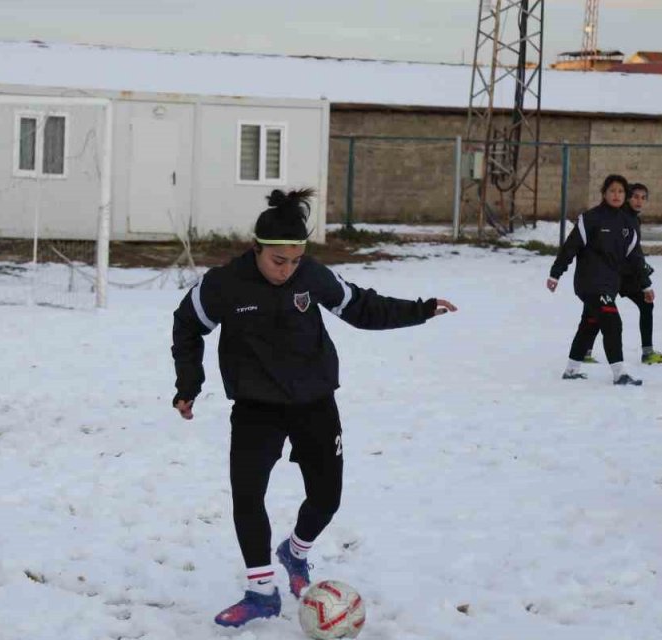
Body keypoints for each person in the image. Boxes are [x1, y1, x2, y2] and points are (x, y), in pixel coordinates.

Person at [170, 188, 457, 629]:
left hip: (314, 401)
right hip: (255, 406)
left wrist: (419, 310)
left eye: (295, 261)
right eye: (277, 261)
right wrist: (189, 384)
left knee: (327, 497)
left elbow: (361, 307)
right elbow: (186, 325)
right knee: (248, 496)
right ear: (257, 249)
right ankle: (261, 591)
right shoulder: (224, 285)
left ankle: (295, 552)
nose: (286, 270)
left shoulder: (312, 276)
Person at [547, 174, 647, 386]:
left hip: (610, 284)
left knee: (590, 324)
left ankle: (571, 370)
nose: (616, 195)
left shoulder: (628, 223)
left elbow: (635, 257)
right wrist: (556, 272)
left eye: (621, 191)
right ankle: (620, 373)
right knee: (612, 321)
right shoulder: (591, 218)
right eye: (612, 191)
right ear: (604, 193)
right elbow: (570, 246)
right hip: (589, 282)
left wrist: (646, 283)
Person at [618, 183, 662, 365]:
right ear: (628, 198)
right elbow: (629, 254)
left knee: (646, 306)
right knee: (596, 311)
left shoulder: (633, 218)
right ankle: (584, 351)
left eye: (643, 197)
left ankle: (647, 353)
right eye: (635, 196)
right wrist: (645, 281)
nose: (639, 201)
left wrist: (643, 265)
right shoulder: (623, 218)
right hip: (614, 274)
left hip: (624, 274)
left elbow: (634, 250)